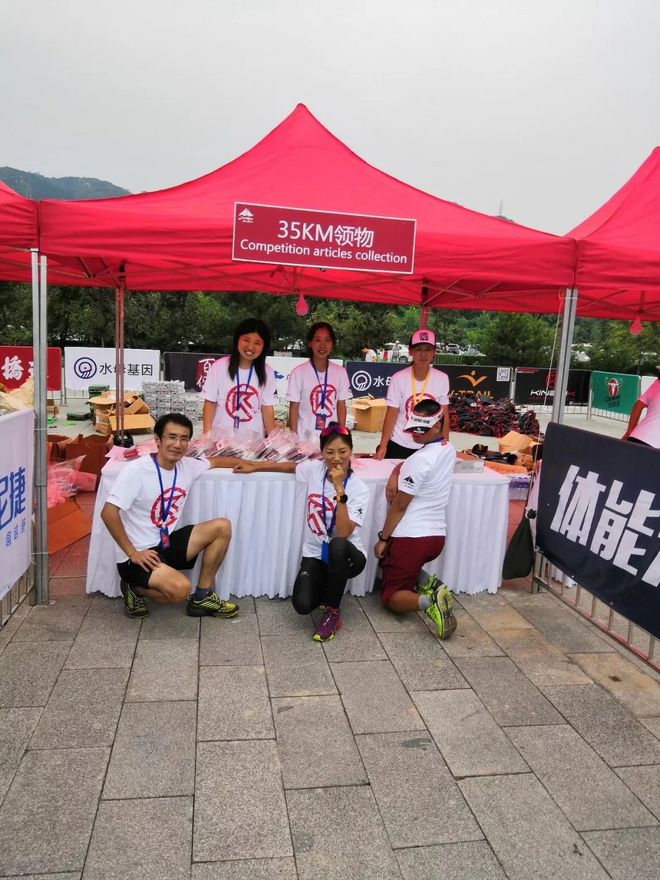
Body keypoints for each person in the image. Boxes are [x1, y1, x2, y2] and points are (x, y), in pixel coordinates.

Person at [234, 423, 369, 641]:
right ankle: (329, 584)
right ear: (322, 453)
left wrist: (339, 491)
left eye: (342, 452)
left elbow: (344, 532)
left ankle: (333, 612)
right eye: (330, 452)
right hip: (316, 551)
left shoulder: (359, 488)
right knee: (302, 605)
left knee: (337, 543)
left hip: (349, 555)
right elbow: (290, 467)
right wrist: (255, 466)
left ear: (351, 451)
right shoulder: (314, 469)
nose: (336, 458)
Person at [101, 412, 240, 620]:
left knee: (222, 526)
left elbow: (216, 461)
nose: (178, 444)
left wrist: (257, 466)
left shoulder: (187, 465)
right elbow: (108, 512)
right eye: (172, 437)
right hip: (139, 555)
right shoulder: (136, 471)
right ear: (157, 440)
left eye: (184, 439)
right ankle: (133, 588)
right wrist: (132, 553)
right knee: (180, 590)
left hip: (165, 543)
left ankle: (202, 596)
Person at [374, 398, 457, 640]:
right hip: (436, 537)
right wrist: (395, 470)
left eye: (421, 429)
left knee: (390, 598)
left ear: (438, 424)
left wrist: (383, 538)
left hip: (412, 538)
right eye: (413, 427)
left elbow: (399, 505)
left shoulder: (420, 460)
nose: (413, 434)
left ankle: (429, 601)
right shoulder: (446, 449)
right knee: (395, 567)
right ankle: (434, 586)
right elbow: (410, 465)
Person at [374, 328, 450, 459]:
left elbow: (444, 413)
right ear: (410, 351)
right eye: (419, 349)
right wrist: (383, 445)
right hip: (399, 443)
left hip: (428, 445)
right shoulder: (398, 378)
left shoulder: (442, 378)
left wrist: (445, 443)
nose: (423, 354)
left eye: (427, 349)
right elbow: (392, 413)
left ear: (433, 353)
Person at [202, 318, 277, 437]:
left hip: (252, 444)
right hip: (220, 443)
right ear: (237, 339)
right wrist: (206, 435)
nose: (251, 347)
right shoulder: (219, 367)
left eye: (257, 343)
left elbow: (267, 408)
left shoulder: (267, 372)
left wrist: (274, 439)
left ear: (264, 346)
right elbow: (210, 403)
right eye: (246, 340)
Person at [287, 322, 352, 438]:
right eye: (317, 340)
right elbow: (294, 407)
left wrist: (342, 436)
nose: (322, 345)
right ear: (310, 343)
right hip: (304, 439)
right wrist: (294, 437)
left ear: (332, 344)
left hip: (330, 440)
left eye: (327, 340)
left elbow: (341, 405)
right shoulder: (298, 372)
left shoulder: (340, 373)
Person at [622, 374, 660, 448]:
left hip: (636, 437)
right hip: (655, 446)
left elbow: (638, 406)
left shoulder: (657, 383)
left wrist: (629, 432)